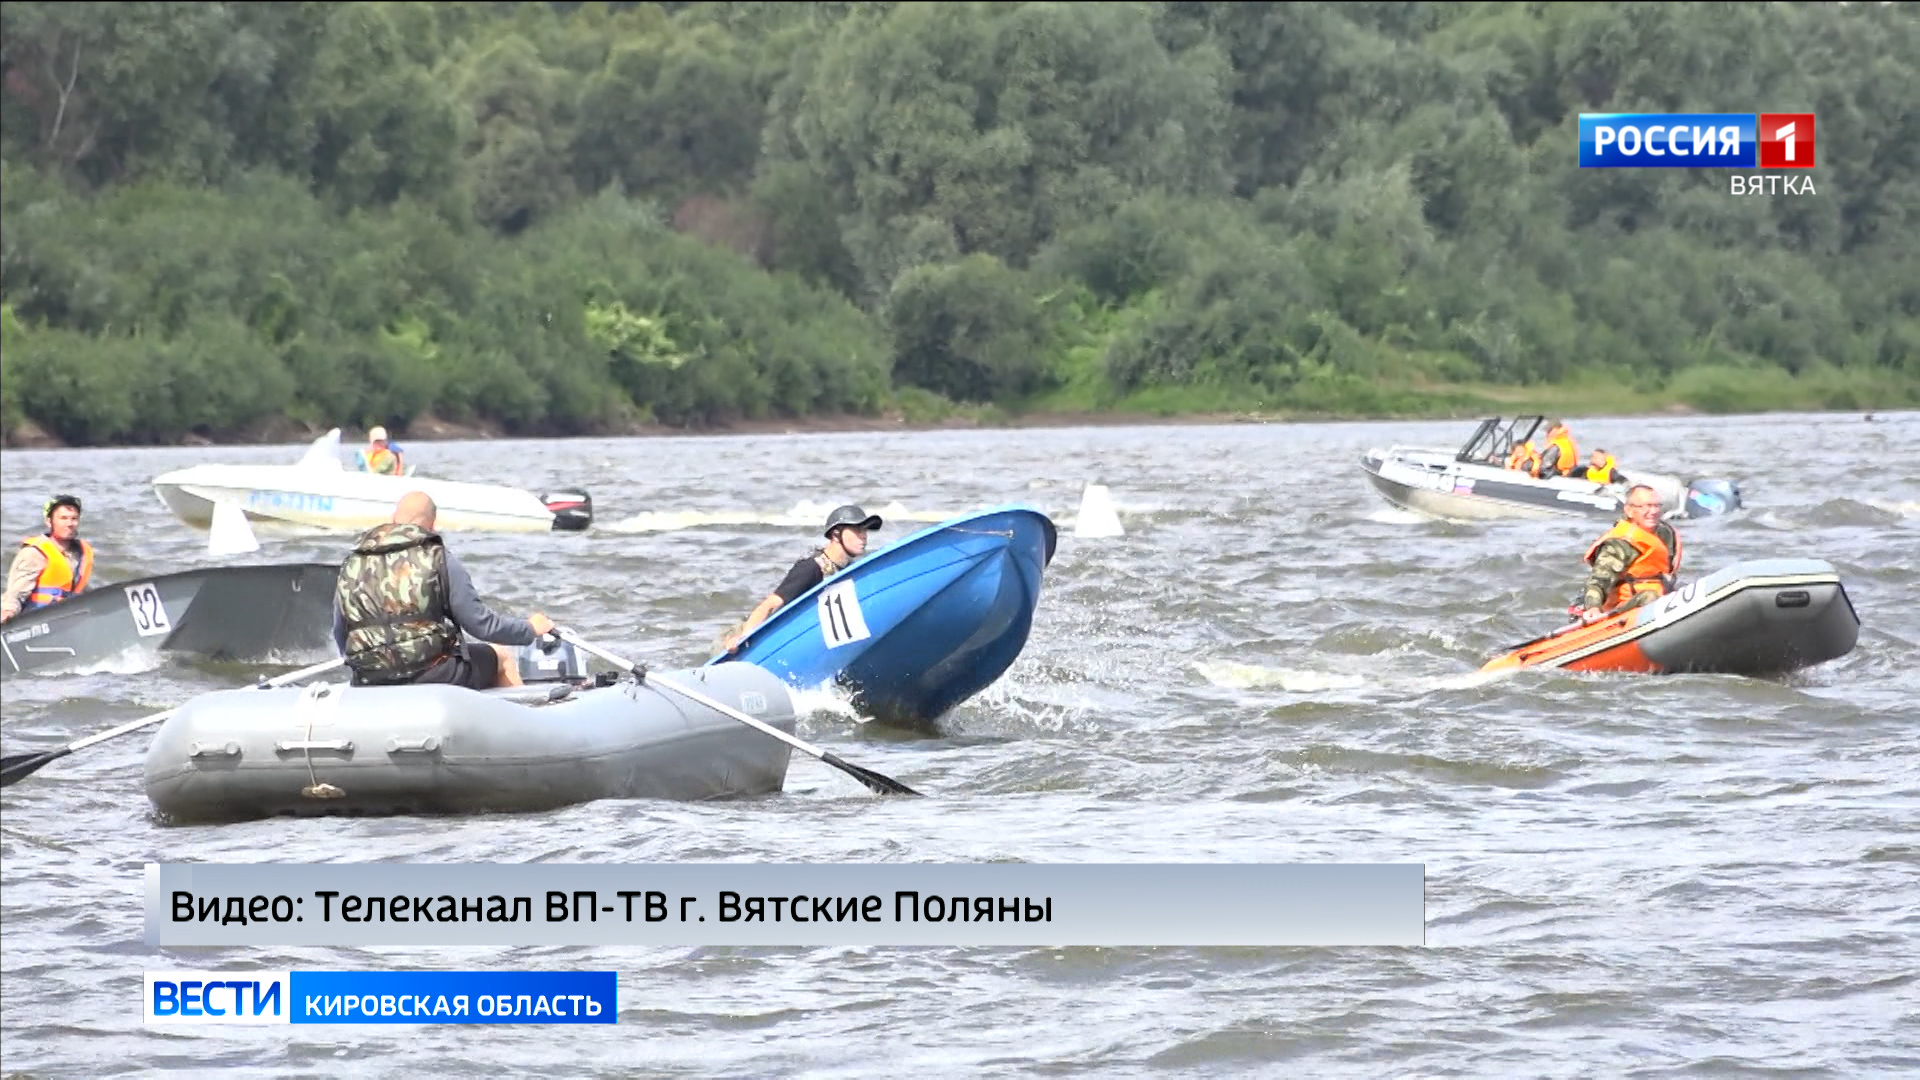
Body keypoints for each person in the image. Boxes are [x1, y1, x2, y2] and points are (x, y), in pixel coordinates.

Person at [331, 492, 555, 688]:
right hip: (430, 671)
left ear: (392, 520)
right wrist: (529, 629)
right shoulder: (438, 558)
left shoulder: (352, 563)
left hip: (369, 675)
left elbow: (341, 632)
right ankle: (520, 728)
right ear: (431, 524)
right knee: (501, 657)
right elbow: (482, 626)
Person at [719, 504, 882, 654]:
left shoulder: (849, 570)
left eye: (865, 531)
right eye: (857, 530)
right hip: (740, 635)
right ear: (836, 534)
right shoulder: (811, 567)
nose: (864, 537)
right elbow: (770, 605)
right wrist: (742, 637)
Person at [1570, 484, 1681, 624]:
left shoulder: (1665, 534)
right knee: (1649, 597)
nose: (1653, 511)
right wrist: (1593, 607)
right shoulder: (1620, 544)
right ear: (1629, 510)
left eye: (1656, 506)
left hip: (1662, 598)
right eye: (1645, 506)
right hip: (1626, 609)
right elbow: (1597, 582)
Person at [2, 495, 93, 623]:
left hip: (69, 618)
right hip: (35, 621)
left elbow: (79, 589)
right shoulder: (34, 553)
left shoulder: (80, 552)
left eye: (74, 519)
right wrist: (8, 612)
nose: (69, 523)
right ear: (49, 521)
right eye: (63, 518)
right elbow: (16, 593)